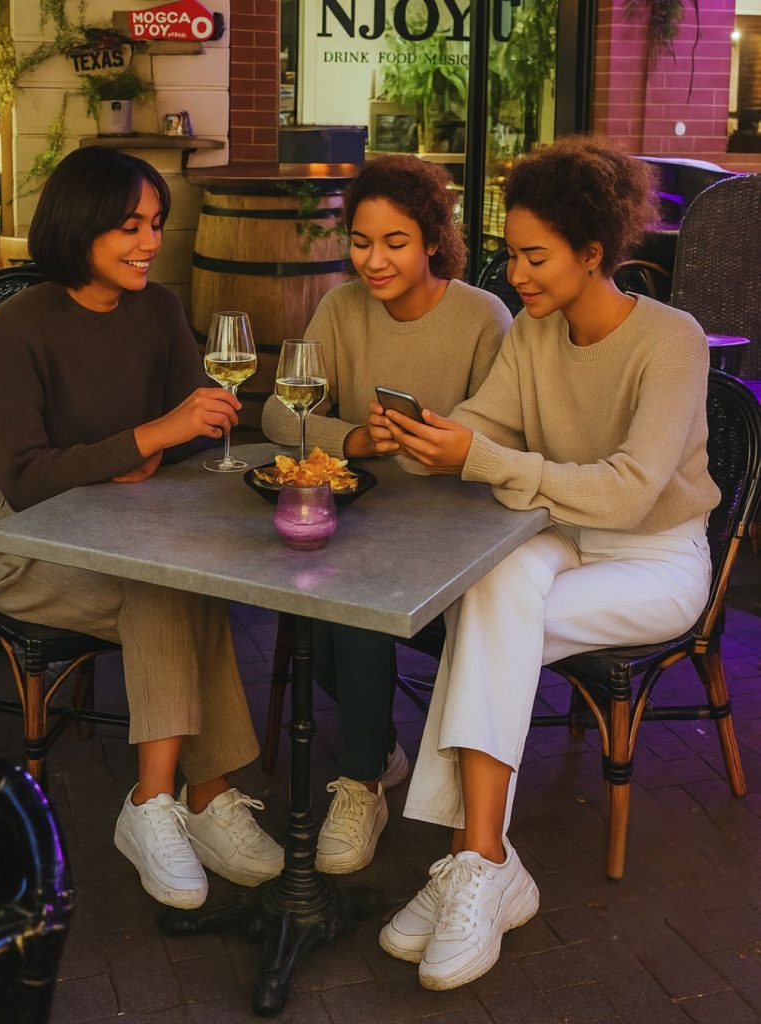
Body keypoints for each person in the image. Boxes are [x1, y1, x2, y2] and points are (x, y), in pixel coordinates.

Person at [373, 136, 719, 990]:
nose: (516, 275)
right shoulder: (532, 333)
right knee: (494, 593)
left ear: (592, 253)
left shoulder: (671, 341)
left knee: (488, 623)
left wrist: (480, 460)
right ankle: (484, 862)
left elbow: (631, 494)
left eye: (535, 257)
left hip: (654, 561)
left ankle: (472, 863)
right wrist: (427, 437)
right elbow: (486, 425)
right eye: (510, 254)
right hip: (557, 539)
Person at [0, 147, 284, 910]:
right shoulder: (20, 327)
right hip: (26, 547)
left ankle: (196, 801)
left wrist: (181, 431)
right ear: (80, 227)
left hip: (128, 531)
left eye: (154, 224)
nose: (149, 242)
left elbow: (193, 424)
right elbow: (26, 476)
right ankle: (168, 802)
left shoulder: (158, 310)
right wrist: (144, 440)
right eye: (128, 227)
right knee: (169, 586)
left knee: (176, 580)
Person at [262, 155, 511, 874]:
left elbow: (499, 439)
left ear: (433, 239)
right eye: (361, 241)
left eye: (394, 242)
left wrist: (444, 446)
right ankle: (375, 759)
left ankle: (364, 777)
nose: (373, 260)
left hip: (451, 532)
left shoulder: (480, 317)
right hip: (361, 518)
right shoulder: (340, 308)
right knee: (322, 597)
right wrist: (354, 439)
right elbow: (282, 412)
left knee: (346, 599)